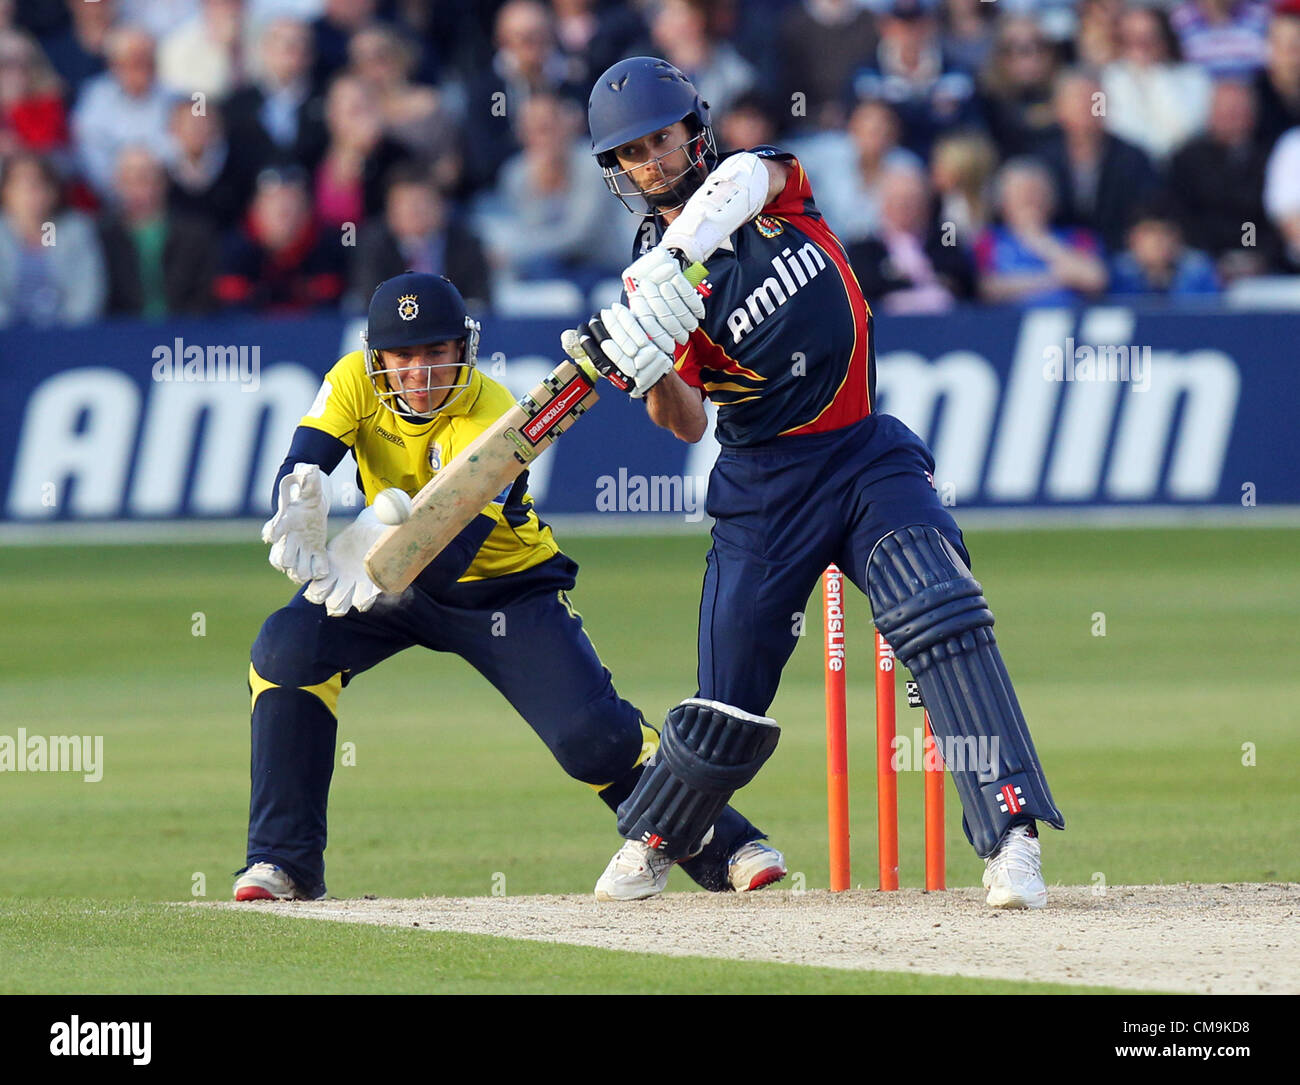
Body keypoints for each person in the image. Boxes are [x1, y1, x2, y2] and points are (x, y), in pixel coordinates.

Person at [572, 56, 1065, 908]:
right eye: (630, 153)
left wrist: (678, 253)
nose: (650, 161)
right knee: (727, 700)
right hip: (763, 489)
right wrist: (652, 369)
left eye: (661, 138)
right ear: (614, 170)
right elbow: (687, 421)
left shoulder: (765, 182)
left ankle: (1012, 837)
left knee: (938, 608)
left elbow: (746, 179)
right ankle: (656, 837)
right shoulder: (648, 282)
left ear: (695, 127)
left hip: (863, 451)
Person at [233, 271, 786, 902]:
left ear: (463, 350)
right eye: (403, 357)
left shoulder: (495, 414)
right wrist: (299, 488)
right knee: (284, 651)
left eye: (436, 353)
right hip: (375, 584)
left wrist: (381, 561)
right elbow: (309, 455)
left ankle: (729, 842)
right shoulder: (352, 379)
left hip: (499, 589)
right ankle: (283, 864)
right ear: (376, 356)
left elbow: (452, 549)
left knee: (594, 743)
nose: (419, 373)